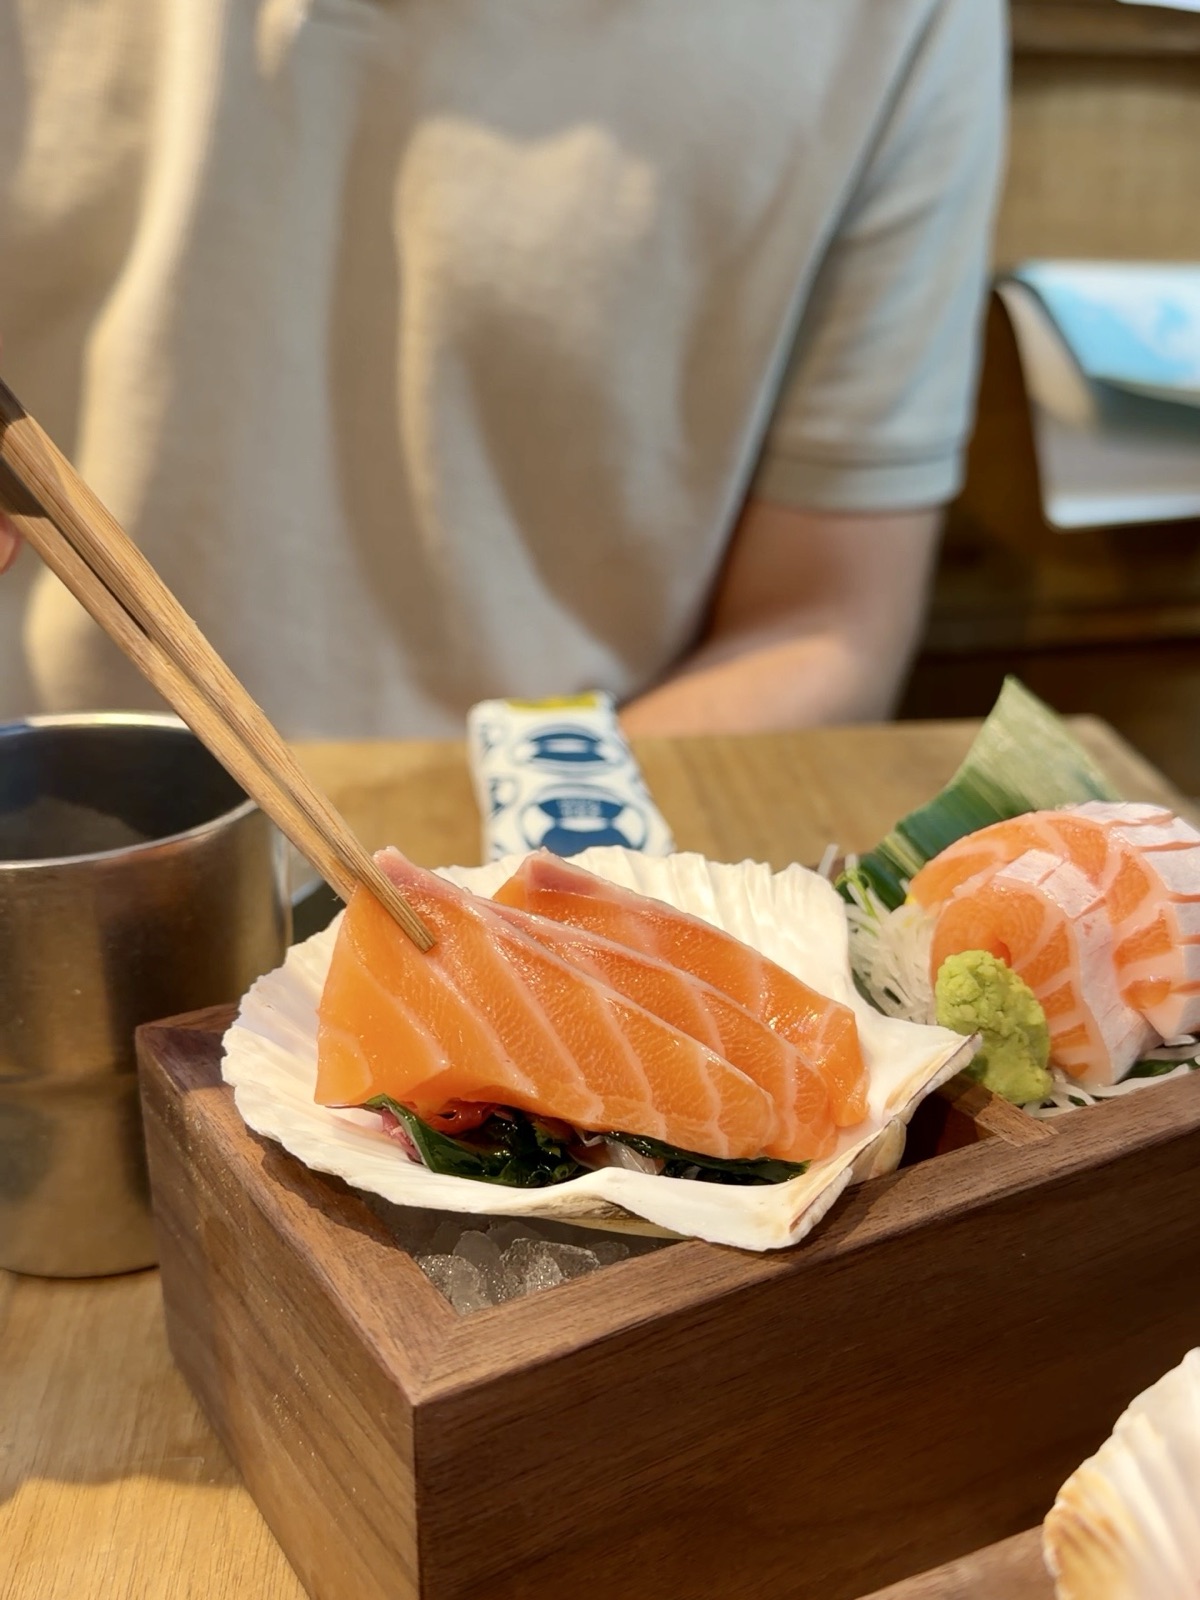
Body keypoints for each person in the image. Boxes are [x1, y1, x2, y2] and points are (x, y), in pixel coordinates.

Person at [0, 0, 1004, 739]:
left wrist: (511, 915)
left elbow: (822, 621)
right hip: (41, 802)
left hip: (562, 838)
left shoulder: (902, 23)